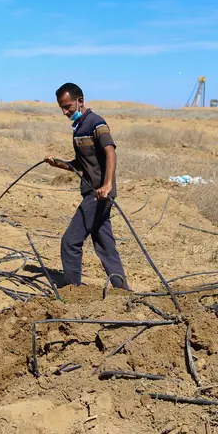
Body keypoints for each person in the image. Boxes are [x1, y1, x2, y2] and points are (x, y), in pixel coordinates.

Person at [45, 83, 128, 289]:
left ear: (80, 101)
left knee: (70, 241)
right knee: (105, 245)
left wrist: (107, 184)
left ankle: (73, 292)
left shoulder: (95, 122)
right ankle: (121, 290)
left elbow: (110, 152)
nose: (65, 112)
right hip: (93, 193)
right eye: (62, 108)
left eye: (68, 107)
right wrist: (60, 164)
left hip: (99, 194)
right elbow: (80, 166)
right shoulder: (78, 128)